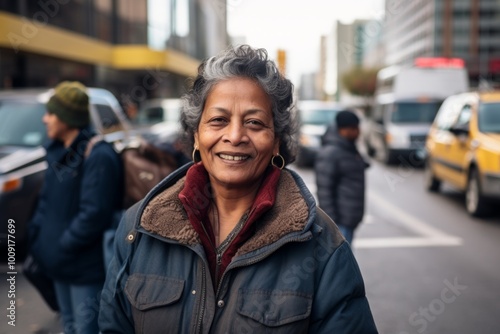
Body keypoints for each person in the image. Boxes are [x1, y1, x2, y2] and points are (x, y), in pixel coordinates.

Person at [98, 45, 378, 333]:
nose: (234, 136)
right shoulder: (139, 228)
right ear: (196, 136)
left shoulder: (323, 246)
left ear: (276, 141)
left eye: (254, 123)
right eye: (218, 120)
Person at [28, 81, 123, 334]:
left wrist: (62, 246)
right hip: (58, 264)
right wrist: (37, 240)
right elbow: (46, 202)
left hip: (84, 268)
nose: (45, 119)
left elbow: (94, 214)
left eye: (51, 113)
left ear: (68, 118)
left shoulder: (98, 155)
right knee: (68, 325)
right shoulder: (58, 152)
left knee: (85, 330)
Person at [315, 110, 370, 245]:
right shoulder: (331, 153)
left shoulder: (348, 147)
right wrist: (332, 223)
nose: (358, 132)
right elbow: (324, 191)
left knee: (345, 260)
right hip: (339, 222)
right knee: (342, 263)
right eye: (354, 128)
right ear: (343, 129)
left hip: (349, 218)